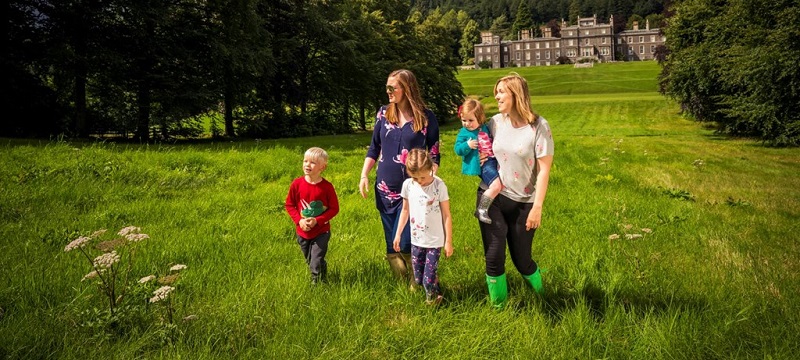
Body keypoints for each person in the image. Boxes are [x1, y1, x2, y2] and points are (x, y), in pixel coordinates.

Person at [479, 74, 554, 308]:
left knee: (522, 260)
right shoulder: (495, 122)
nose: (497, 95)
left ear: (515, 94)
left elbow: (543, 171)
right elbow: (474, 139)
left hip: (524, 202)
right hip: (493, 197)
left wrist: (537, 208)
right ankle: (499, 308)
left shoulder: (538, 126)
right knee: (494, 255)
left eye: (501, 91)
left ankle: (544, 298)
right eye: (496, 91)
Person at [359, 69, 440, 282]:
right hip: (384, 189)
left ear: (406, 88)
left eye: (392, 87)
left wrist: (428, 183)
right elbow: (374, 148)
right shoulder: (383, 113)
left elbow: (434, 153)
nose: (388, 91)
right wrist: (364, 175)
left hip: (413, 191)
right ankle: (404, 284)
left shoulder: (426, 116)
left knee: (405, 241)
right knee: (390, 243)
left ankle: (418, 278)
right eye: (387, 87)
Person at [392, 148, 453, 305]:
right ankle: (436, 288)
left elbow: (447, 215)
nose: (420, 181)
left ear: (432, 168)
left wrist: (448, 241)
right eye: (415, 178)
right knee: (419, 278)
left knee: (427, 280)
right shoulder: (408, 185)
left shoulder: (439, 186)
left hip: (435, 241)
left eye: (423, 177)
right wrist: (398, 234)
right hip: (417, 239)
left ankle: (432, 302)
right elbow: (405, 210)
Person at [285, 147, 340, 285]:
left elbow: (334, 209)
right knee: (311, 259)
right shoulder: (297, 184)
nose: (307, 165)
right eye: (305, 161)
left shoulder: (327, 187)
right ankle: (323, 273)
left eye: (313, 162)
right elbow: (289, 205)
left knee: (315, 261)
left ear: (323, 167)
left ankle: (317, 285)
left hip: (321, 231)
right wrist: (299, 221)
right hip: (302, 231)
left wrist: (317, 220)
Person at [454, 99, 503, 224]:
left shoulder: (484, 128)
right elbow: (457, 149)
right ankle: (481, 209)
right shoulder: (464, 133)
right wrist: (467, 145)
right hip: (483, 164)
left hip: (492, 161)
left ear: (479, 118)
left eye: (471, 120)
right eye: (464, 120)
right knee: (496, 186)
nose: (467, 124)